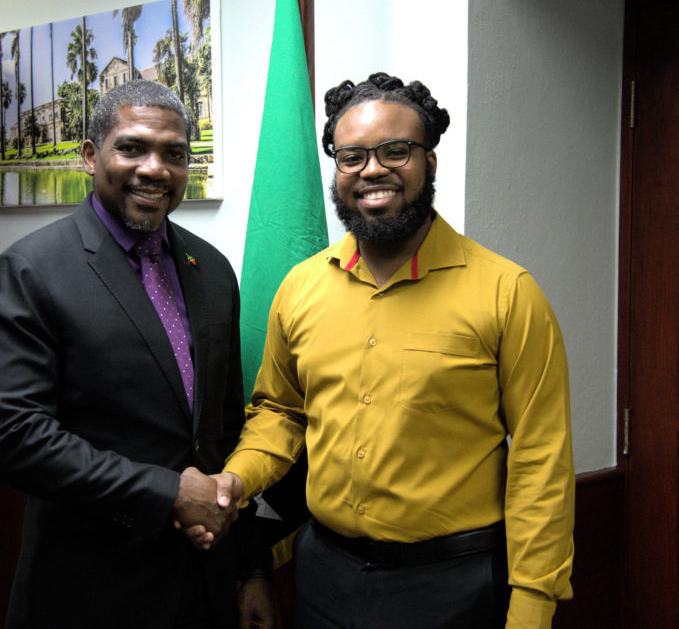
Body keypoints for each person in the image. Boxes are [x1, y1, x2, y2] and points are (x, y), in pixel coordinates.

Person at [211, 73, 574, 629]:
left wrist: (532, 605)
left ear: (430, 161)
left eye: (395, 151)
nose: (372, 169)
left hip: (452, 587)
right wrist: (236, 479)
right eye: (352, 155)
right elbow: (281, 413)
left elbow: (540, 456)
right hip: (322, 575)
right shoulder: (300, 287)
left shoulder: (507, 292)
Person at [0, 80, 273, 629]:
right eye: (132, 147)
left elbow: (225, 431)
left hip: (204, 589)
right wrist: (166, 493)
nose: (155, 168)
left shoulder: (213, 271)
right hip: (91, 592)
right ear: (91, 155)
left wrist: (252, 568)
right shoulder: (31, 271)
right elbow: (8, 437)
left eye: (174, 154)